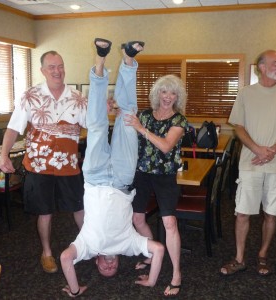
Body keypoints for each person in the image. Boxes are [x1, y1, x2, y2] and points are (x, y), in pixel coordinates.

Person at [60, 38, 164, 298]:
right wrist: (152, 281)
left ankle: (100, 60)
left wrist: (75, 290)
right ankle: (128, 60)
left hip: (94, 177)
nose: (108, 264)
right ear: (118, 261)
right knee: (129, 118)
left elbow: (64, 258)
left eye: (104, 267)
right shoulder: (129, 245)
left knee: (95, 126)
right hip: (121, 177)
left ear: (95, 262)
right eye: (113, 266)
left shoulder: (86, 247)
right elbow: (159, 250)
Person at [0, 51, 87, 274]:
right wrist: (5, 155)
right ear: (42, 70)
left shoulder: (77, 97)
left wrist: (105, 109)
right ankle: (47, 253)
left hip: (68, 166)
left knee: (79, 208)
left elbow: (94, 124)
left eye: (60, 65)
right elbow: (13, 128)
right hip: (39, 167)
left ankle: (89, 245)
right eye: (51, 67)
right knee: (45, 211)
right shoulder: (30, 96)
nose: (57, 71)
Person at [220, 50, 276, 276]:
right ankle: (239, 258)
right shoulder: (246, 93)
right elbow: (239, 127)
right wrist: (257, 149)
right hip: (250, 163)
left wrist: (271, 151)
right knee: (242, 212)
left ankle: (263, 255)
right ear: (261, 66)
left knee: (271, 214)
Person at [127, 73, 188, 297]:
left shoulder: (178, 120)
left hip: (165, 175)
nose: (168, 97)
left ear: (177, 97)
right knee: (137, 219)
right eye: (164, 91)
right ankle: (153, 253)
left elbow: (165, 146)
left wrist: (141, 129)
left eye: (173, 93)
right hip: (142, 173)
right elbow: (126, 121)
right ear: (157, 93)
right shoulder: (144, 115)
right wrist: (115, 107)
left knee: (169, 222)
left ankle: (176, 275)